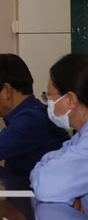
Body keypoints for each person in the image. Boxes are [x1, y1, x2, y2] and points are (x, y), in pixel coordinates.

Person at [31, 53, 88, 206]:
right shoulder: (80, 136)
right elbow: (45, 163)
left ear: (70, 100)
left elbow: (46, 186)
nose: (48, 103)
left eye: (49, 96)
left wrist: (43, 173)